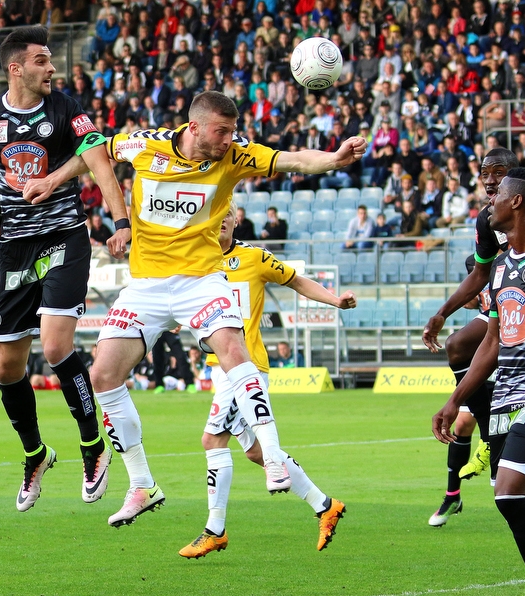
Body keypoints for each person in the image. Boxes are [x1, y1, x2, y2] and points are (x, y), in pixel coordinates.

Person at [81, 90, 365, 527]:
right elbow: (95, 151)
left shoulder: (235, 156)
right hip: (147, 284)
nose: (230, 138)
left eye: (233, 130)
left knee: (233, 350)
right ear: (194, 127)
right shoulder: (145, 144)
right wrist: (54, 180)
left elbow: (293, 159)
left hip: (201, 278)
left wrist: (332, 158)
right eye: (222, 130)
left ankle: (272, 456)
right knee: (101, 375)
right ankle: (142, 484)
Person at [0, 26, 129, 512]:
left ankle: (92, 446)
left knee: (57, 345)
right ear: (16, 67)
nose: (52, 68)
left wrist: (120, 222)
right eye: (42, 60)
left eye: (51, 60)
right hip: (14, 247)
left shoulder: (66, 108)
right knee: (5, 367)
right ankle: (35, 455)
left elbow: (101, 164)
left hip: (64, 237)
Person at [179, 206, 354, 558]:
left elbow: (297, 280)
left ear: (235, 220)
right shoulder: (199, 261)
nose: (221, 220)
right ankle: (325, 505)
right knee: (257, 452)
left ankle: (215, 529)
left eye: (226, 215)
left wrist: (335, 300)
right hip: (219, 367)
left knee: (212, 439)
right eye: (215, 215)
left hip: (245, 367)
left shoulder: (254, 258)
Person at [432, 167, 525, 596]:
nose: (487, 206)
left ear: (516, 204)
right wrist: (455, 399)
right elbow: (491, 339)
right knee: (512, 496)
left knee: (509, 492)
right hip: (508, 395)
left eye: (497, 198)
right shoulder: (503, 267)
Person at [422, 148, 519, 526]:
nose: (490, 180)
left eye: (500, 173)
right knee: (459, 345)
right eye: (485, 173)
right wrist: (442, 313)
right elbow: (479, 274)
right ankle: (489, 427)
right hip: (506, 303)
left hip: (521, 299)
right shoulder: (489, 220)